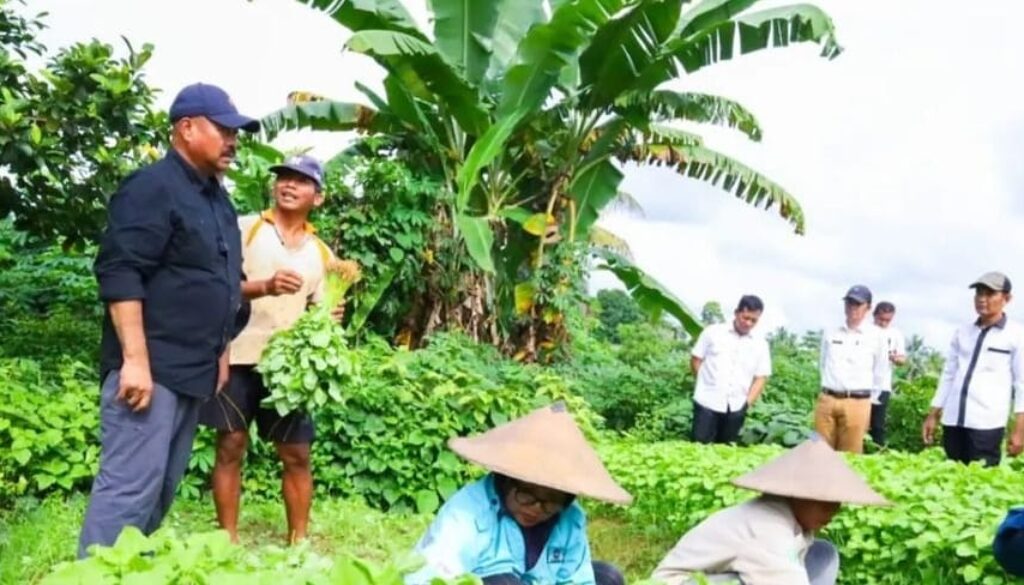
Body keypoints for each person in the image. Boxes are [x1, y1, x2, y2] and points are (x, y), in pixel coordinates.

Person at [78, 83, 258, 557]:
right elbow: (121, 272)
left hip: (191, 374)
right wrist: (135, 361)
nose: (233, 140)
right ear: (187, 128)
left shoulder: (217, 201)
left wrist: (220, 352)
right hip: (151, 373)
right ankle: (92, 573)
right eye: (223, 130)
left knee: (159, 494)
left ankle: (126, 570)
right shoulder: (153, 187)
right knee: (128, 493)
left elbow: (221, 282)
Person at [197, 155, 342, 544]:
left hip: (289, 369)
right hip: (238, 355)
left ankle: (298, 541)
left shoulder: (321, 253)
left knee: (296, 454)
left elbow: (321, 313)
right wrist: (264, 286)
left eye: (301, 180)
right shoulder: (244, 229)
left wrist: (330, 314)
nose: (289, 185)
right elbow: (212, 285)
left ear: (319, 197)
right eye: (283, 178)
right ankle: (225, 539)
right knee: (230, 445)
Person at [405, 403, 631, 585]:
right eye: (527, 495)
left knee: (608, 577)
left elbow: (577, 578)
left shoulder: (570, 518)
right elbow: (433, 575)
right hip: (483, 579)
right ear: (506, 480)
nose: (536, 508)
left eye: (550, 502)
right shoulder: (468, 511)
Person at [651, 438, 889, 585]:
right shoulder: (766, 530)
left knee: (822, 554)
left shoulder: (790, 521)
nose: (833, 511)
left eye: (837, 503)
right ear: (797, 495)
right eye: (825, 503)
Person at [922, 271, 1024, 466]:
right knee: (952, 479)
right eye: (978, 293)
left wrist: (1020, 430)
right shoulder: (962, 332)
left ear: (1007, 298)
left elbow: (1022, 385)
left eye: (989, 294)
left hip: (986, 424)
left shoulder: (1017, 335)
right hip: (953, 422)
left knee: (980, 485)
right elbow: (948, 375)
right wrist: (933, 414)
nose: (982, 299)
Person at [689, 295, 772, 444]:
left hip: (736, 406)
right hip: (706, 401)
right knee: (698, 450)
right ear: (736, 313)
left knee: (726, 453)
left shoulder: (761, 345)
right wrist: (703, 384)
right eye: (745, 318)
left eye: (754, 320)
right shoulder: (713, 332)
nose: (748, 323)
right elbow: (696, 359)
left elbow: (761, 377)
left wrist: (746, 405)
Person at [815, 285, 887, 453]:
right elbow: (823, 363)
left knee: (850, 456)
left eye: (857, 304)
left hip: (857, 401)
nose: (852, 308)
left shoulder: (877, 336)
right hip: (828, 398)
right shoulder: (831, 332)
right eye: (849, 303)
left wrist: (869, 400)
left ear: (868, 307)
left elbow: (880, 372)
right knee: (819, 453)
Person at [868, 301, 907, 446]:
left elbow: (903, 358)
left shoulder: (895, 334)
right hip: (862, 383)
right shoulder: (866, 331)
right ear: (874, 315)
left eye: (887, 320)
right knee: (859, 422)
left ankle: (876, 455)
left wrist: (896, 359)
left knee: (878, 425)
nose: (884, 323)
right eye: (881, 319)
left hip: (882, 385)